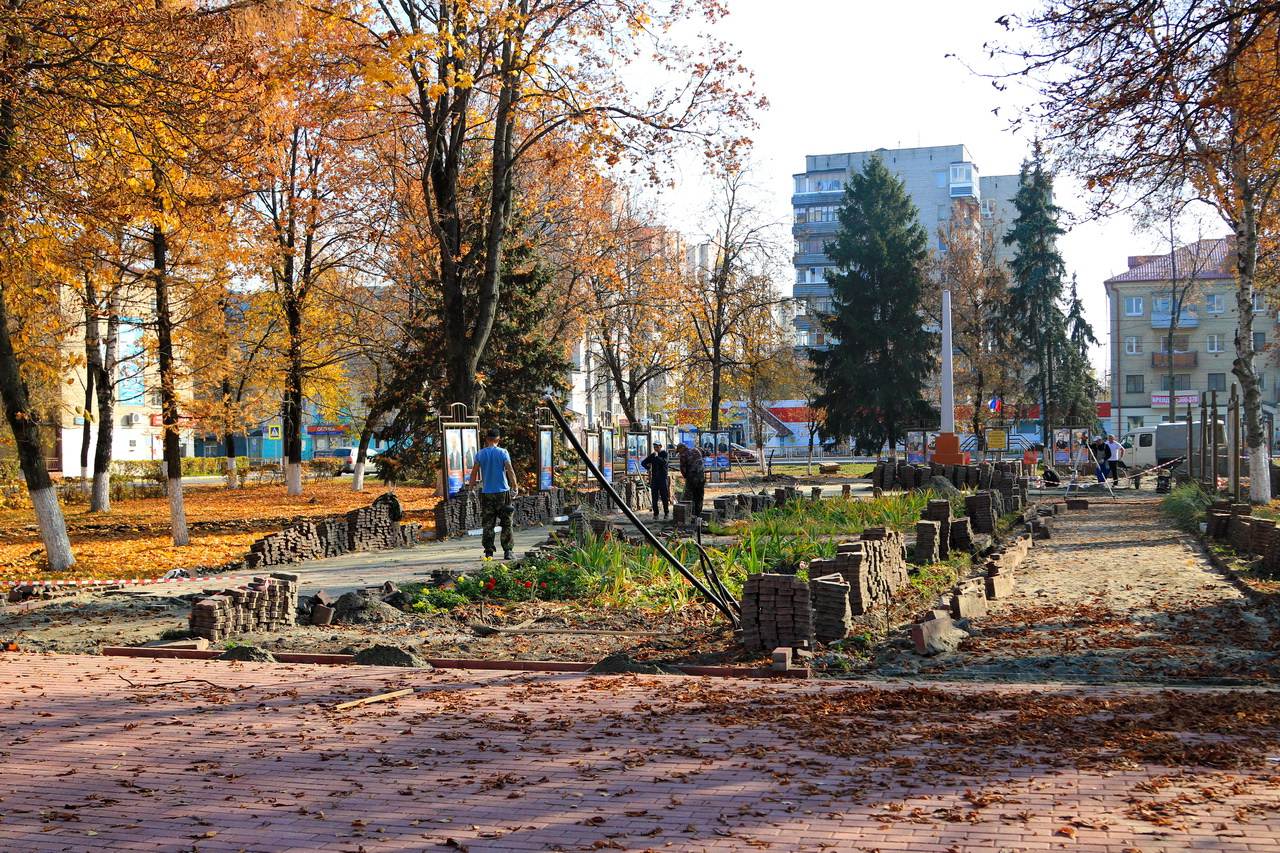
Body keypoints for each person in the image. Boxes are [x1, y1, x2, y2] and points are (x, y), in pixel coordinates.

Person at [469, 428, 519, 560]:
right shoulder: (503, 452)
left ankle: (488, 551)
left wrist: (471, 489)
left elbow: (474, 472)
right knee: (506, 522)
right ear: (498, 439)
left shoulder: (480, 454)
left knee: (488, 523)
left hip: (487, 493)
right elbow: (510, 470)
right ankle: (508, 551)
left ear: (486, 439)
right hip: (503, 493)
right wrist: (515, 486)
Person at [640, 443, 671, 520]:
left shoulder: (664, 454)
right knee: (654, 497)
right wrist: (648, 468)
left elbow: (664, 462)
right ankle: (656, 514)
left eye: (657, 447)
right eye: (654, 447)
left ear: (660, 446)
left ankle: (666, 513)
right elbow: (643, 462)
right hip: (655, 479)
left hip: (663, 479)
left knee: (664, 496)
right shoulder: (653, 455)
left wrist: (657, 457)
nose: (655, 448)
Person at [676, 442, 705, 518]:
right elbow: (705, 453)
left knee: (690, 496)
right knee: (699, 495)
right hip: (701, 476)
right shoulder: (696, 450)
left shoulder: (683, 455)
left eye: (679, 451)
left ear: (682, 448)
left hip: (692, 478)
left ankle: (692, 515)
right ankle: (699, 514)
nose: (679, 453)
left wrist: (686, 477)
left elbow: (682, 468)